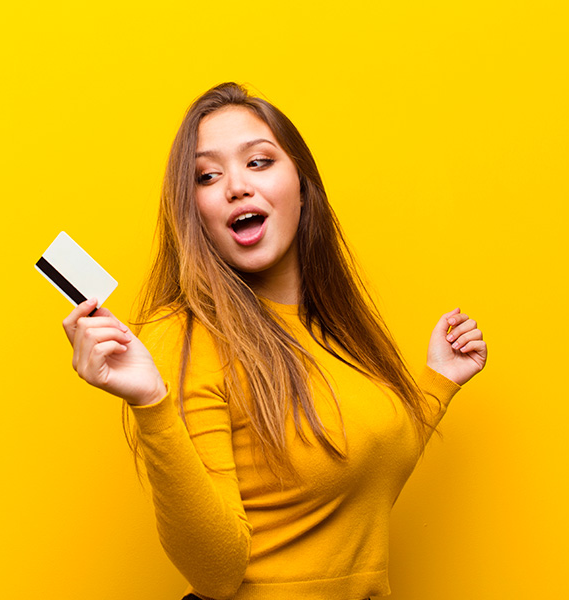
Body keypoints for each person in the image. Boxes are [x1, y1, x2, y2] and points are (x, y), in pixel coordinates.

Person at [61, 82, 487, 600]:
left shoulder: (337, 330)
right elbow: (216, 575)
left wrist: (437, 383)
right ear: (193, 211)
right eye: (207, 176)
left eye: (258, 162)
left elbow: (356, 472)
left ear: (303, 185)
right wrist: (152, 405)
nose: (236, 186)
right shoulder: (185, 336)